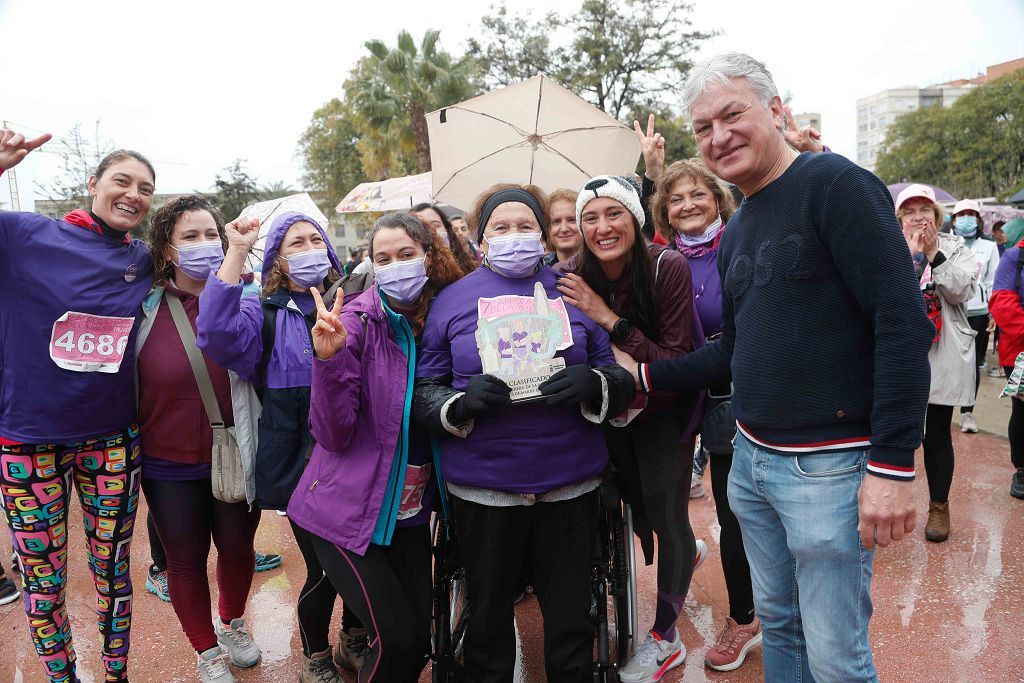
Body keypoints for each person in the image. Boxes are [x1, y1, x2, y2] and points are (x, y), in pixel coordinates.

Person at [613, 53, 934, 681]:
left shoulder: (835, 185)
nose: (718, 136)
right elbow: (736, 346)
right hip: (753, 461)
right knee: (780, 626)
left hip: (830, 466)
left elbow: (900, 321)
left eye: (733, 115)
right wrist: (648, 377)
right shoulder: (741, 224)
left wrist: (893, 463)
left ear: (777, 110)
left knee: (838, 654)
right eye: (703, 127)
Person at [413, 184, 635, 683]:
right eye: (502, 228)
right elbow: (424, 389)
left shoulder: (574, 290)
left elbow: (618, 377)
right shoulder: (451, 302)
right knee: (488, 616)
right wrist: (458, 403)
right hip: (485, 487)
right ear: (481, 239)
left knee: (572, 615)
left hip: (570, 481)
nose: (515, 236)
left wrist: (595, 381)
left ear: (544, 233)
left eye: (525, 226)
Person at [0, 129, 157, 683]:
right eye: (122, 180)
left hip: (111, 440)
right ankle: (62, 677)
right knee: (44, 583)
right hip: (26, 442)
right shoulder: (24, 234)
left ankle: (116, 674)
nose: (133, 194)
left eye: (145, 187)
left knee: (113, 573)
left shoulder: (145, 259)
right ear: (93, 185)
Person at [288, 213, 463, 682]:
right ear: (370, 263)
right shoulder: (354, 319)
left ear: (430, 256)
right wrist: (328, 360)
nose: (396, 266)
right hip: (342, 511)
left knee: (417, 643)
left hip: (408, 513)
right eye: (383, 258)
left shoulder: (447, 315)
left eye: (406, 255)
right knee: (398, 637)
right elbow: (332, 433)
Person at [556, 175, 706, 680]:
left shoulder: (667, 266)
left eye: (613, 213)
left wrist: (606, 317)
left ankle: (666, 637)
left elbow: (676, 360)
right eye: (590, 218)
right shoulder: (572, 274)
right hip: (605, 413)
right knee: (616, 504)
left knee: (669, 522)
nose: (602, 227)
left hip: (664, 412)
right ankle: (676, 558)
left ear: (636, 218)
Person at [196, 211, 346, 683]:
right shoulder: (259, 313)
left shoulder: (355, 302)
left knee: (367, 556)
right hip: (299, 464)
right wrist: (237, 248)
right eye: (295, 243)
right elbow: (216, 335)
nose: (308, 250)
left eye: (315, 240)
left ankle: (356, 637)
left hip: (354, 455)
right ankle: (316, 654)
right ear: (279, 258)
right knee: (324, 566)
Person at [134, 195, 267, 682]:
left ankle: (232, 622)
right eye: (190, 236)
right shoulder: (143, 305)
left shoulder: (247, 297)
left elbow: (249, 360)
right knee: (184, 560)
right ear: (167, 249)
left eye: (212, 234)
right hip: (166, 461)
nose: (205, 244)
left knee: (237, 548)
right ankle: (206, 650)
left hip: (233, 452)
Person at [643, 157, 763, 672]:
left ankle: (746, 618)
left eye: (698, 195)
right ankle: (686, 550)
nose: (688, 205)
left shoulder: (737, 244)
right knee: (659, 503)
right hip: (671, 398)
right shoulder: (658, 258)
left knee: (733, 509)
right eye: (676, 198)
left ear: (718, 200)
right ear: (664, 212)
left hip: (727, 397)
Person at [896, 185, 978, 542]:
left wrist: (933, 254)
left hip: (941, 352)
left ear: (937, 215)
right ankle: (887, 504)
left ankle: (939, 507)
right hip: (899, 354)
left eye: (925, 209)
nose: (919, 216)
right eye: (910, 210)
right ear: (899, 218)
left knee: (937, 434)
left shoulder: (954, 247)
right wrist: (912, 258)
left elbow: (962, 290)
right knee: (888, 432)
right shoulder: (888, 247)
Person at [950, 199, 999, 434]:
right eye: (962, 214)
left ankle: (967, 412)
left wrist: (993, 312)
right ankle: (942, 409)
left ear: (978, 219)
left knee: (973, 365)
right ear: (954, 218)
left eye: (971, 214)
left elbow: (993, 281)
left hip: (978, 312)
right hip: (949, 311)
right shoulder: (944, 241)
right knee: (947, 362)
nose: (966, 218)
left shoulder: (989, 246)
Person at [985, 217, 1024, 499]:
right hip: (1020, 351)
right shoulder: (1014, 257)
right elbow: (1002, 304)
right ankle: (1022, 469)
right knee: (1022, 411)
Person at [411, 203, 478, 275]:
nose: (430, 232)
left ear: (448, 230)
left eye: (436, 225)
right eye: (421, 227)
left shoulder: (470, 271)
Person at [543, 188, 583, 266]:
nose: (564, 229)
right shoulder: (538, 272)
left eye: (571, 220)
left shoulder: (604, 269)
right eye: (556, 222)